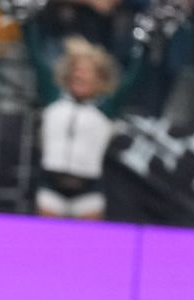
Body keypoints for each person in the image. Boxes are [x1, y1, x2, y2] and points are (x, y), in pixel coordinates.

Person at [23, 16, 144, 219]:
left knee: (87, 248)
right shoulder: (53, 97)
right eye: (77, 69)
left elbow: (134, 79)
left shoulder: (106, 107)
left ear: (99, 79)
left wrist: (146, 47)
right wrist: (26, 23)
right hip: (51, 184)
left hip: (88, 188)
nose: (81, 74)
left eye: (88, 71)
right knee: (46, 244)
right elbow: (35, 59)